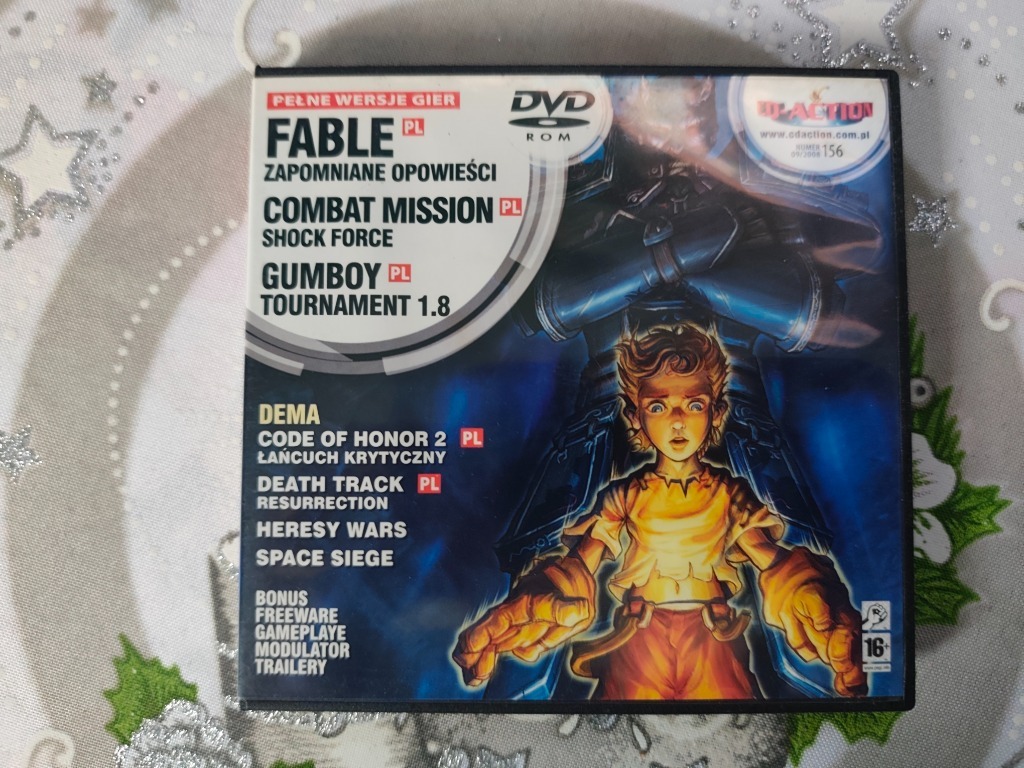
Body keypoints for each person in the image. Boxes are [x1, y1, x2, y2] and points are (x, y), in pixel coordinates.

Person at [452, 324, 865, 700]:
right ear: (635, 417)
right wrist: (547, 593)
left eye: (695, 404)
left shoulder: (729, 494)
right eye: (658, 407)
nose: (678, 422)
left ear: (716, 413)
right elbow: (585, 557)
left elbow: (769, 558)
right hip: (638, 639)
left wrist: (809, 592)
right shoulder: (625, 495)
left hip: (713, 638)